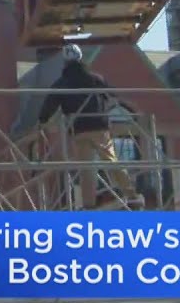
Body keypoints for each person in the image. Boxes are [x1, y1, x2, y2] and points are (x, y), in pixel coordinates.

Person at [37, 44, 144, 208]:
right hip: (99, 126)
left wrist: (42, 120)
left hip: (79, 129)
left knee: (86, 168)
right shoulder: (95, 78)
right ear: (81, 59)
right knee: (111, 161)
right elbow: (112, 93)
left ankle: (89, 204)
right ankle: (132, 195)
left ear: (65, 62)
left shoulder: (61, 83)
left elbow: (48, 107)